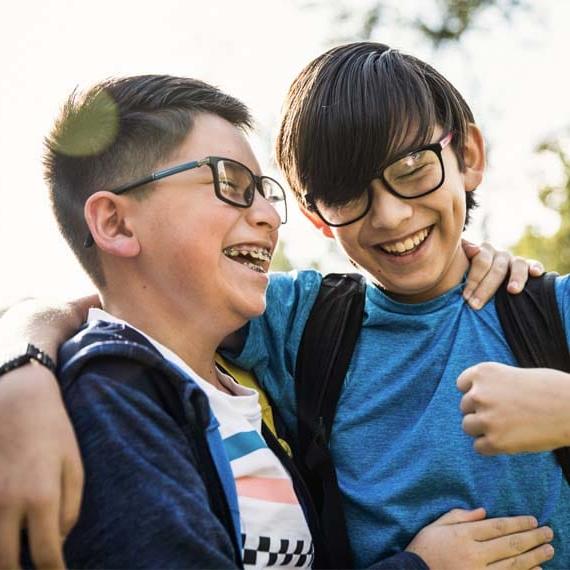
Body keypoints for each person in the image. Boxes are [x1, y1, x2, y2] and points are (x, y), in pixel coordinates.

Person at [0, 64, 554, 570]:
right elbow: (102, 310)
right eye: (230, 186)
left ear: (469, 157)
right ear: (319, 216)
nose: (389, 212)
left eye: (411, 169)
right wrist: (20, 370)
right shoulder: (296, 324)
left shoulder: (547, 308)